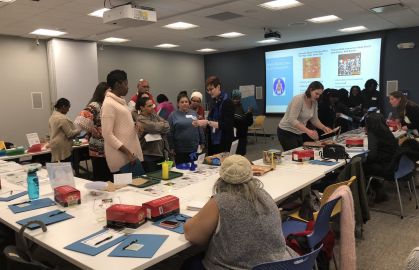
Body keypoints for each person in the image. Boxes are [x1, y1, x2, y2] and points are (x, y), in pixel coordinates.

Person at [183, 155, 295, 270]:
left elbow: (193, 236)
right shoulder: (264, 194)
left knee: (187, 264)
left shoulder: (220, 201)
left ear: (221, 177)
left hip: (236, 267)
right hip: (277, 265)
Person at [101, 69, 143, 174]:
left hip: (130, 156)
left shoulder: (120, 101)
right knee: (126, 189)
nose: (127, 87)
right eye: (125, 84)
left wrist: (134, 125)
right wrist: (128, 153)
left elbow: (120, 125)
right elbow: (107, 134)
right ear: (117, 84)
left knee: (137, 189)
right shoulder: (109, 104)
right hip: (123, 159)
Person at [277, 81, 332, 151]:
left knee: (300, 154)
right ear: (310, 90)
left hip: (298, 132)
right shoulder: (298, 99)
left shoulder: (314, 102)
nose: (318, 96)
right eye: (316, 93)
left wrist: (324, 128)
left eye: (320, 95)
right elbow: (292, 119)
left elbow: (314, 119)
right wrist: (308, 131)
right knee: (294, 154)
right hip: (286, 131)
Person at [74, 82, 112, 181]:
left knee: (108, 177)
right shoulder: (95, 105)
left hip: (108, 148)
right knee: (102, 177)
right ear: (102, 92)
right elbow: (80, 121)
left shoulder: (107, 104)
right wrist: (92, 129)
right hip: (98, 149)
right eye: (109, 91)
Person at [364, 112, 398, 202]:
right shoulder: (387, 131)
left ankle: (372, 192)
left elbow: (372, 156)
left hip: (386, 168)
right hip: (394, 165)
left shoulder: (373, 133)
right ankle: (378, 191)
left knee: (361, 166)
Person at [168, 92, 206, 164]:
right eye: (182, 102)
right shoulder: (172, 115)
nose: (184, 103)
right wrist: (171, 147)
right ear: (178, 103)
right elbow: (170, 132)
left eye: (186, 102)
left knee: (194, 169)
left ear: (189, 103)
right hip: (180, 149)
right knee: (182, 170)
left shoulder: (193, 113)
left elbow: (199, 128)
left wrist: (202, 141)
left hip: (194, 147)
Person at [136, 97, 170, 172]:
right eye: (149, 106)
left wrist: (157, 127)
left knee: (162, 176)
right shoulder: (140, 119)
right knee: (152, 178)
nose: (152, 108)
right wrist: (159, 127)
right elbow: (154, 127)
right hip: (148, 155)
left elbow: (167, 126)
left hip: (160, 153)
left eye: (152, 105)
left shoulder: (154, 115)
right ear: (142, 107)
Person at [206, 76, 234, 155]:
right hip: (213, 139)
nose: (209, 92)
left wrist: (208, 122)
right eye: (208, 90)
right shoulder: (214, 102)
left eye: (211, 89)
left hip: (224, 141)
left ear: (218, 87)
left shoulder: (227, 102)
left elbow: (228, 125)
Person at [48, 98, 81, 162]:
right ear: (63, 106)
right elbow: (70, 134)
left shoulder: (52, 117)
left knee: (58, 166)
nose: (68, 110)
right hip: (62, 146)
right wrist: (79, 129)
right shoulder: (62, 118)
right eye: (68, 108)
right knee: (65, 167)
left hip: (54, 145)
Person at [231, 89, 253, 155]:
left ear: (240, 98)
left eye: (237, 98)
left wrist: (249, 113)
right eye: (234, 98)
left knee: (241, 154)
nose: (235, 100)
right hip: (233, 136)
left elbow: (250, 123)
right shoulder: (229, 107)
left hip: (242, 136)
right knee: (233, 155)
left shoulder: (245, 107)